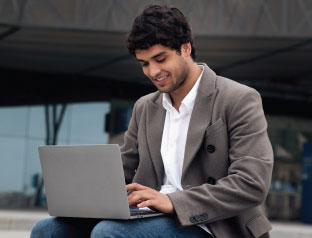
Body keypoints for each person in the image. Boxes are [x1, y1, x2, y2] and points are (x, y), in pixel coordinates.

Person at [31, 4, 273, 238]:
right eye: (144, 63)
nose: (153, 71)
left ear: (185, 48)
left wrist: (172, 201)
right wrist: (83, 197)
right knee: (49, 229)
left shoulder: (238, 99)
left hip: (212, 224)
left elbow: (251, 183)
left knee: (110, 233)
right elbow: (121, 171)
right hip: (150, 215)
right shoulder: (146, 107)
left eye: (161, 58)